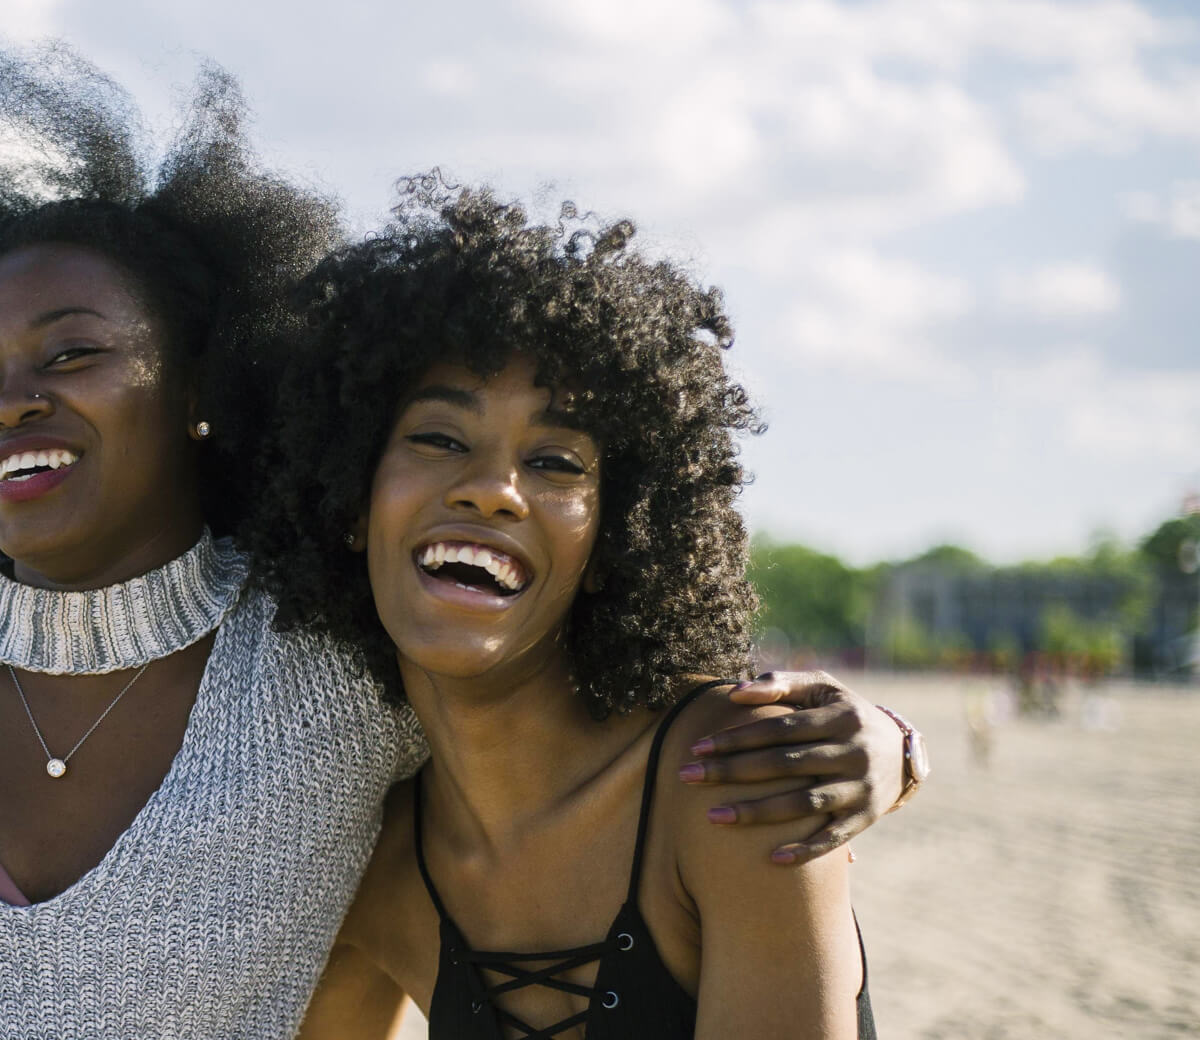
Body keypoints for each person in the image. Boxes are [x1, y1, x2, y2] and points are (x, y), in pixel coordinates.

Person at [0, 47, 912, 1039]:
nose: (15, 402)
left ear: (201, 392)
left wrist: (880, 736)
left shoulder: (327, 661)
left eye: (74, 352)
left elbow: (565, 686)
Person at [251, 180, 881, 1038]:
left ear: (610, 544)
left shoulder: (732, 782)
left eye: (555, 461)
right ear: (351, 504)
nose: (491, 490)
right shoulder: (377, 866)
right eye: (439, 439)